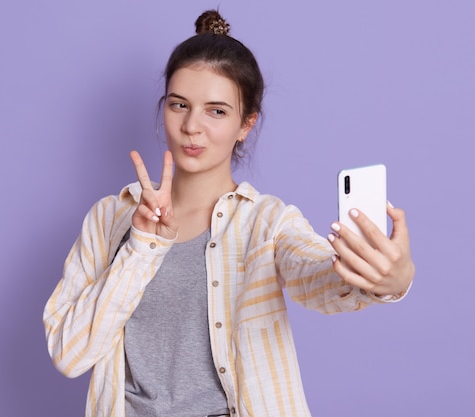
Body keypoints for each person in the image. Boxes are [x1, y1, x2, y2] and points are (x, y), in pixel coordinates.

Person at [43, 9, 414, 417]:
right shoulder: (110, 218)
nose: (192, 126)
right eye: (179, 105)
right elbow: (69, 353)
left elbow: (318, 276)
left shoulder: (266, 222)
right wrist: (142, 247)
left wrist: (385, 282)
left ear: (246, 124)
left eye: (216, 111)